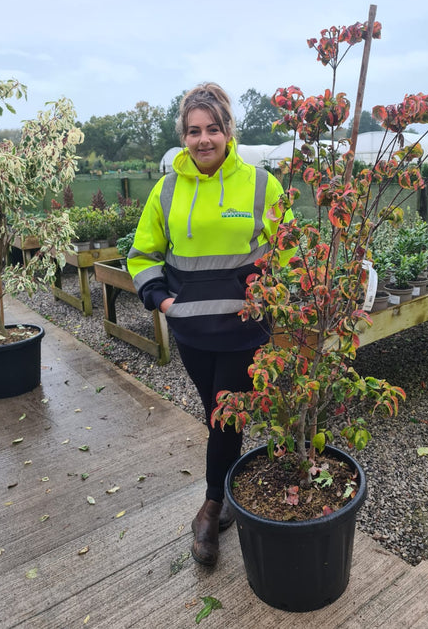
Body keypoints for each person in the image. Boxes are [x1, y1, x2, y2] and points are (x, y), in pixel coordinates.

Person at [127, 83, 292, 567]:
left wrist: (266, 287)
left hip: (244, 329)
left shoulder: (262, 185)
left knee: (224, 413)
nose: (203, 139)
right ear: (184, 135)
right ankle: (228, 489)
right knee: (218, 413)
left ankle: (212, 506)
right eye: (194, 131)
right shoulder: (168, 188)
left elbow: (287, 252)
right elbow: (141, 253)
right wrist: (160, 299)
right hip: (192, 331)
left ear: (228, 132)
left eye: (213, 129)